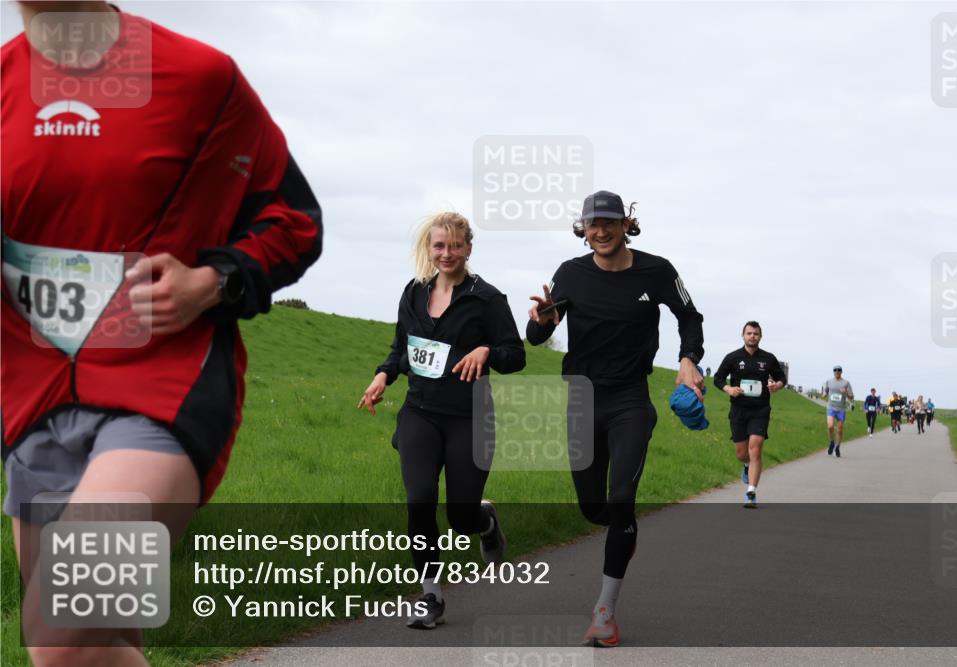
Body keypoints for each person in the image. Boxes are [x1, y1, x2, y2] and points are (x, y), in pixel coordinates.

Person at [2, 3, 322, 665]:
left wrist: (214, 279)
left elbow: (294, 218)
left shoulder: (199, 77)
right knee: (103, 643)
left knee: (60, 631)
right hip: (29, 403)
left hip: (161, 390)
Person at [526, 190, 705, 647]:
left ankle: (604, 612)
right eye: (592, 224)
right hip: (583, 399)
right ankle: (620, 531)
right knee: (592, 508)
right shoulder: (570, 273)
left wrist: (688, 359)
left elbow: (689, 315)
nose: (601, 231)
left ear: (626, 223)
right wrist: (543, 322)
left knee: (621, 498)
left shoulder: (657, 270)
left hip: (630, 400)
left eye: (609, 222)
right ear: (583, 229)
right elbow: (535, 332)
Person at [358, 212, 525, 629]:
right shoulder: (414, 293)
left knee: (460, 518)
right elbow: (401, 347)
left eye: (454, 245)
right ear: (429, 249)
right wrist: (384, 374)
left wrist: (487, 351)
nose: (446, 253)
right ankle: (430, 596)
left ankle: (485, 522)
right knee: (419, 501)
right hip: (420, 413)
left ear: (468, 248)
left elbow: (515, 355)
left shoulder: (487, 299)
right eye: (438, 246)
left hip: (470, 417)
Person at [713, 321, 786, 508]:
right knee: (741, 453)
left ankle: (751, 492)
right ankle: (746, 466)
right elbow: (718, 378)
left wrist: (776, 385)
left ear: (760, 336)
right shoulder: (733, 357)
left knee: (756, 447)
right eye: (749, 333)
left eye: (756, 333)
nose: (752, 336)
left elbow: (782, 378)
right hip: (738, 409)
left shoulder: (768, 359)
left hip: (760, 409)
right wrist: (728, 388)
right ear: (743, 335)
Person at [823, 366, 854, 457]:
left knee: (840, 430)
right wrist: (824, 394)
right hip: (831, 408)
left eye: (839, 370)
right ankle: (832, 442)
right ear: (833, 372)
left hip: (841, 409)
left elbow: (851, 397)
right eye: (835, 370)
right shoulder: (829, 382)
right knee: (830, 426)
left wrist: (846, 393)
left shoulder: (846, 383)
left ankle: (837, 447)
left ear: (841, 372)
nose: (837, 372)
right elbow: (824, 393)